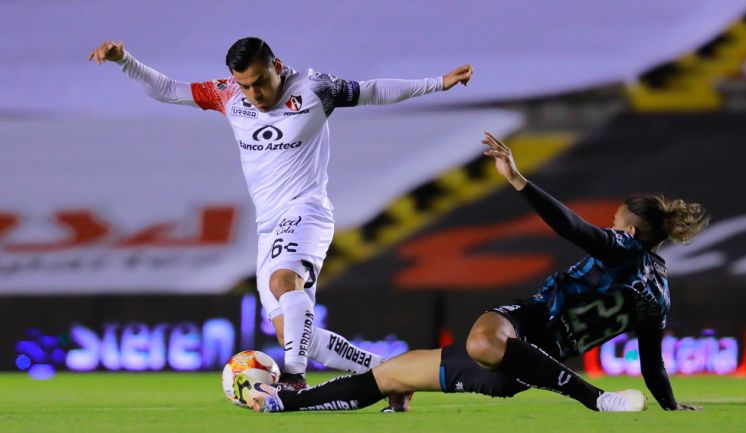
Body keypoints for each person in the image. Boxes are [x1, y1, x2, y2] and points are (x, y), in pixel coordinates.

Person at [88, 38, 473, 399]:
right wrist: (125, 61)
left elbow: (372, 90)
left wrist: (438, 83)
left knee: (282, 282)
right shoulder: (226, 94)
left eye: (260, 82)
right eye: (245, 86)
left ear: (277, 66)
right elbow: (169, 90)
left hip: (307, 211)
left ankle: (293, 377)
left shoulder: (315, 87)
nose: (254, 95)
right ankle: (394, 376)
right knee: (298, 333)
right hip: (267, 225)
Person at [239, 131, 709, 413]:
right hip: (536, 360)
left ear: (630, 228)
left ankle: (596, 399)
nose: (610, 227)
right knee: (394, 376)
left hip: (531, 328)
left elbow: (573, 228)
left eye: (615, 223)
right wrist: (669, 404)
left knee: (482, 340)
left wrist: (518, 180)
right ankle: (284, 402)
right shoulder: (660, 291)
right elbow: (652, 359)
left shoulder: (622, 246)